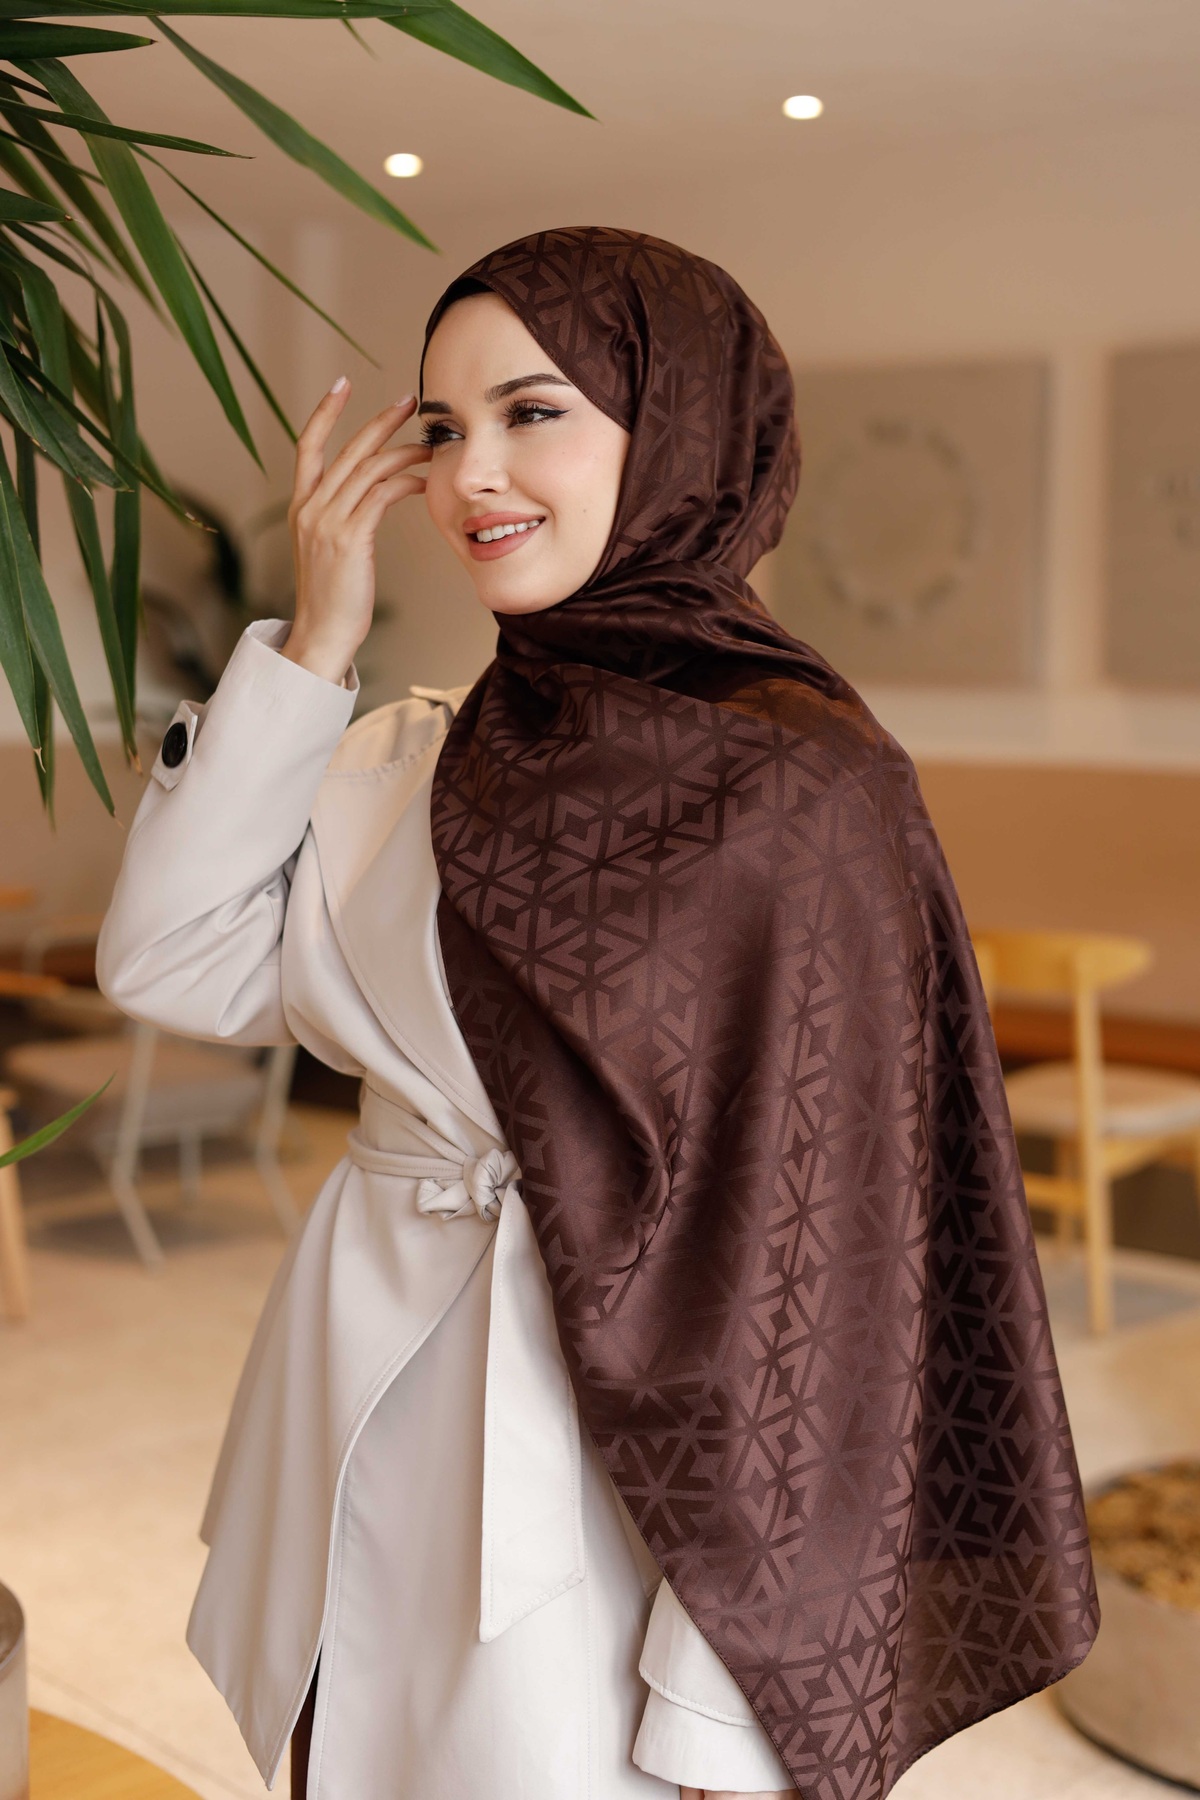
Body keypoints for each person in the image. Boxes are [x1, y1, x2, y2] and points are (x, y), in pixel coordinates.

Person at [97, 227, 1097, 1800]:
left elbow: (821, 1277)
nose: (471, 475)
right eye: (441, 428)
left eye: (533, 411)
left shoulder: (807, 791)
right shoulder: (410, 754)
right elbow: (168, 963)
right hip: (354, 1420)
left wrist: (721, 1713)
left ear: (680, 426)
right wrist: (316, 646)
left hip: (605, 1493)